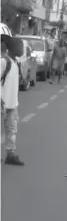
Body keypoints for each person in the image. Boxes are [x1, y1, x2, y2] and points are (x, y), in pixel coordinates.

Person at [1, 34, 24, 165]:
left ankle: (10, 155)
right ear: (12, 47)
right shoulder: (4, 61)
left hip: (12, 104)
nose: (21, 49)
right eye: (19, 46)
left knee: (12, 130)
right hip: (2, 103)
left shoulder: (15, 62)